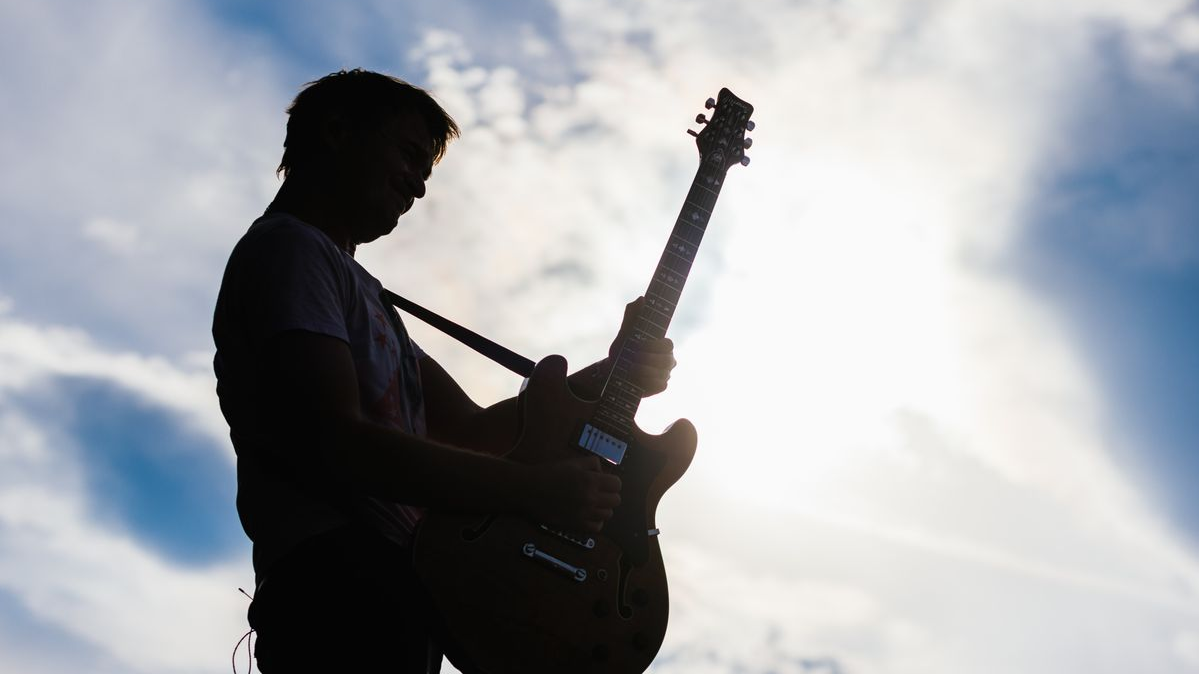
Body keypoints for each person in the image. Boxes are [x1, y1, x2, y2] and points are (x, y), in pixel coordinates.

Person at [212, 69, 676, 673]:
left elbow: (477, 433)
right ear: (337, 131)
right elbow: (339, 444)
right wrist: (536, 491)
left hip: (397, 593)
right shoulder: (290, 249)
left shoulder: (364, 293)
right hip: (334, 587)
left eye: (425, 173)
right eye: (408, 155)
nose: (418, 187)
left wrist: (614, 371)